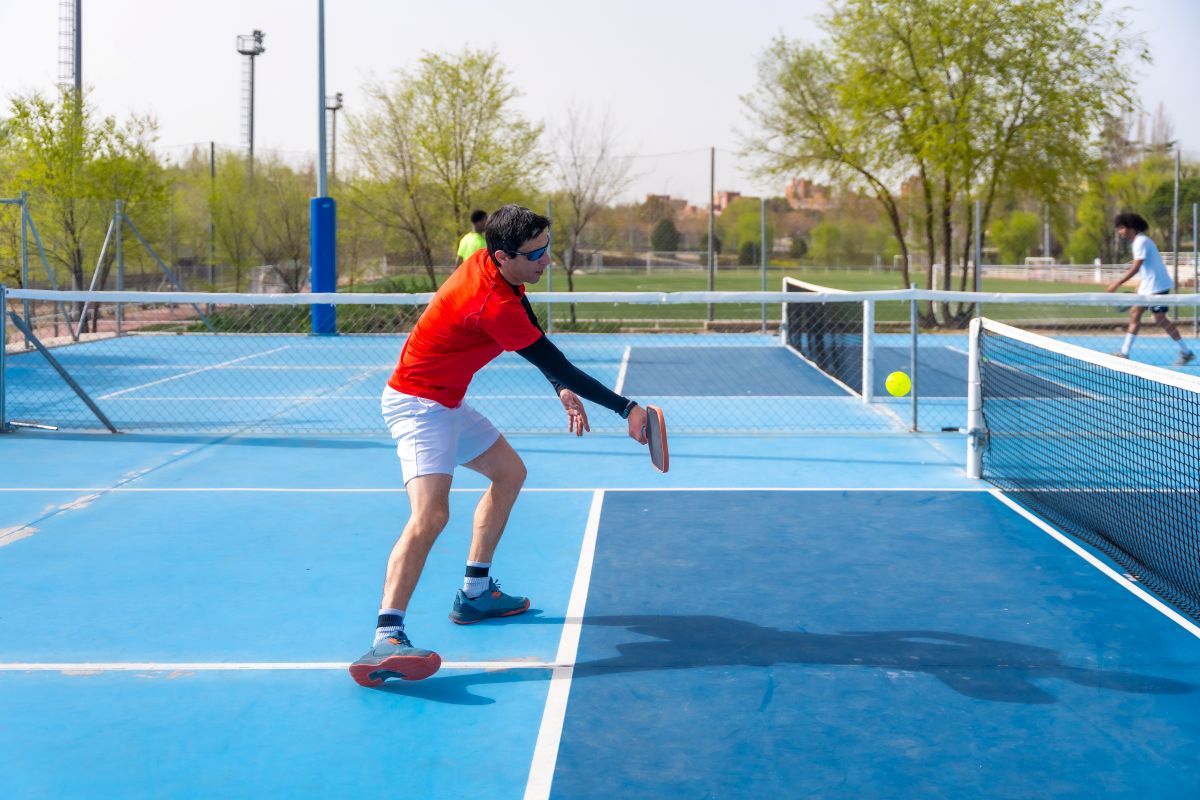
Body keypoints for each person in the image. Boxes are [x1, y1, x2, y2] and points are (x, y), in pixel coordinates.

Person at [349, 204, 649, 688]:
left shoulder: (499, 271)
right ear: (503, 255)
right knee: (431, 517)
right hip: (418, 406)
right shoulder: (489, 301)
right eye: (536, 253)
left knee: (510, 473)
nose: (546, 260)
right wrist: (626, 407)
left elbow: (539, 342)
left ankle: (475, 592)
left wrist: (558, 387)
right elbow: (555, 359)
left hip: (446, 400)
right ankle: (386, 636)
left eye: (549, 247)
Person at [1106, 212, 1195, 365]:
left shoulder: (1141, 241)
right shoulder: (1138, 242)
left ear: (1130, 228)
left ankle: (1186, 352)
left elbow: (1136, 267)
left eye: (1121, 228)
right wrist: (1141, 286)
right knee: (1135, 313)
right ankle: (1124, 352)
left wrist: (1117, 283)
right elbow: (1147, 268)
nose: (1119, 232)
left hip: (1158, 287)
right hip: (1149, 287)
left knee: (1160, 319)